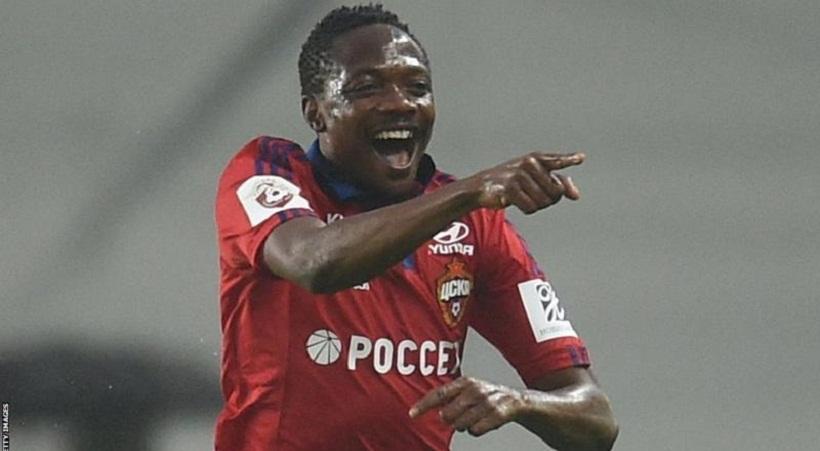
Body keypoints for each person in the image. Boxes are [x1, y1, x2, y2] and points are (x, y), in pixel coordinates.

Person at [214, 4, 617, 450]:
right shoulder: (267, 172)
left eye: (417, 88)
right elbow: (315, 262)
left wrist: (521, 402)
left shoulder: (474, 224)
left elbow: (596, 420)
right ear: (316, 113)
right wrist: (469, 191)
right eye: (367, 87)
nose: (400, 103)